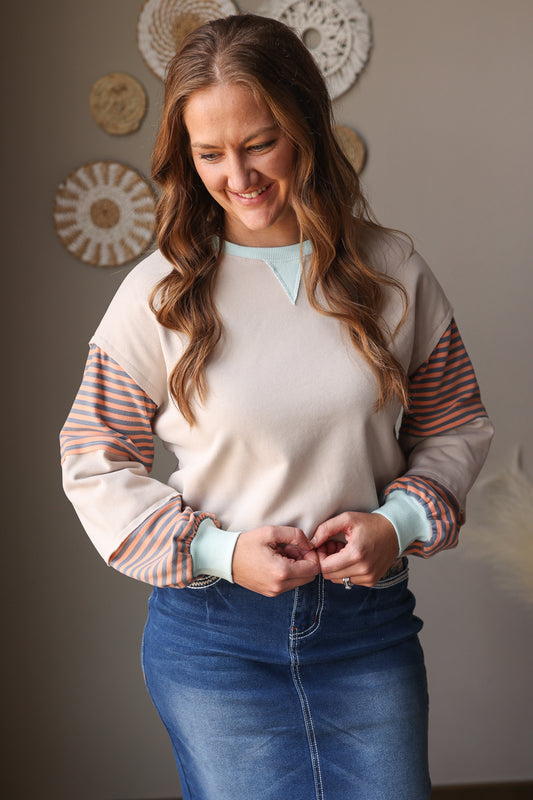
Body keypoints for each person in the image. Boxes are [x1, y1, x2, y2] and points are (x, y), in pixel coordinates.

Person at [60, 13, 493, 800]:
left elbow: (454, 422)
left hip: (367, 631)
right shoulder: (157, 294)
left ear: (306, 128)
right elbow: (93, 457)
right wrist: (219, 552)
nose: (238, 176)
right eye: (209, 154)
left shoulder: (392, 271)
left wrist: (396, 523)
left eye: (259, 143)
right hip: (215, 643)